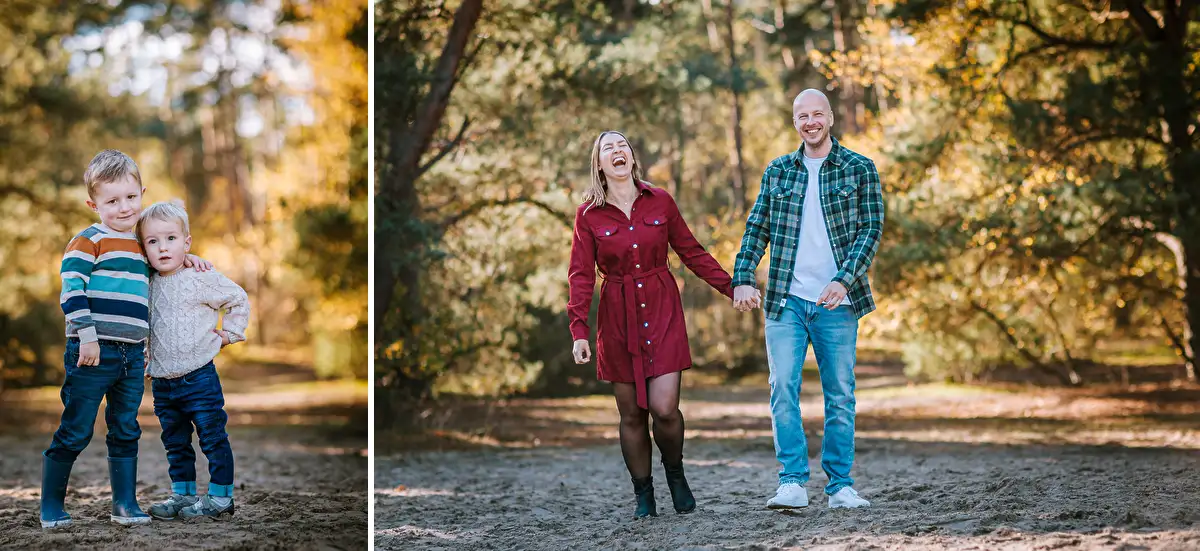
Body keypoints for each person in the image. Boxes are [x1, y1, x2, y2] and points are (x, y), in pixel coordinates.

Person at [567, 130, 752, 518]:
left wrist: (732, 288)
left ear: (632, 158)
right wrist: (579, 330)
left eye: (622, 147)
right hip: (617, 318)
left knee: (664, 407)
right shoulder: (588, 215)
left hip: (662, 309)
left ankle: (676, 473)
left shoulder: (661, 201)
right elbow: (581, 275)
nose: (617, 152)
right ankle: (643, 494)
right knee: (632, 414)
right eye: (608, 149)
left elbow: (691, 251)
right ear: (599, 165)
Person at [41, 150, 211, 528]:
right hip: (92, 351)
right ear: (93, 203)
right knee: (77, 427)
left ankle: (124, 504)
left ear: (142, 193)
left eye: (131, 197)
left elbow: (167, 259)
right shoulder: (88, 241)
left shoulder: (141, 243)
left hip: (133, 355)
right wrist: (86, 336)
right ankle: (51, 505)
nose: (124, 207)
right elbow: (71, 292)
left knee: (126, 427)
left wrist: (190, 257)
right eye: (112, 200)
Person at [732, 89, 885, 510]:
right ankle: (792, 482)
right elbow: (756, 228)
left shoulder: (859, 168)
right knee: (783, 387)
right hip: (786, 300)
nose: (811, 121)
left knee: (840, 394)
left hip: (838, 303)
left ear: (831, 117)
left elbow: (870, 230)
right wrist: (742, 277)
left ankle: (839, 486)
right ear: (795, 120)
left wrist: (844, 280)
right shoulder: (778, 171)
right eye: (803, 115)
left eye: (818, 113)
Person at [137, 201, 250, 520]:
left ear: (187, 242)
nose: (162, 248)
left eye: (171, 239)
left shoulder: (200, 276)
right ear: (143, 247)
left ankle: (220, 498)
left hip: (199, 377)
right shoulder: (146, 281)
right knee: (175, 443)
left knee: (212, 436)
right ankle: (183, 495)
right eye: (153, 241)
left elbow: (238, 298)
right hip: (162, 382)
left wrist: (230, 332)